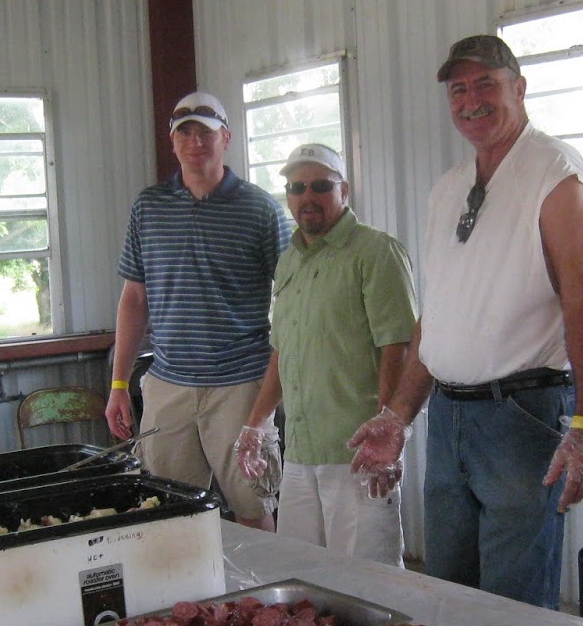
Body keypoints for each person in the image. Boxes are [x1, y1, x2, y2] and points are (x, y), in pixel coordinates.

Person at [348, 35, 583, 609]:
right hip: (447, 418)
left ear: (519, 88)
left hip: (521, 415)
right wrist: (397, 415)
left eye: (485, 85)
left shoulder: (558, 178)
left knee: (513, 607)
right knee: (446, 596)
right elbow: (433, 322)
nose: (471, 100)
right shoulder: (448, 188)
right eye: (458, 89)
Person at [105, 93, 292, 530]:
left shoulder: (260, 210)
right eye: (184, 132)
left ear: (225, 138)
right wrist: (118, 383)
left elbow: (292, 297)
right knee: (168, 514)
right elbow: (135, 298)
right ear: (172, 142)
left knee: (254, 509)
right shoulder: (148, 207)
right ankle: (184, 601)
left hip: (241, 388)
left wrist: (277, 387)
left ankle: (260, 598)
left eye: (205, 132)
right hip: (168, 386)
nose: (195, 142)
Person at [233, 144, 417, 566]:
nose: (306, 196)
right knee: (306, 579)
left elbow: (399, 347)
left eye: (320, 185)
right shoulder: (289, 262)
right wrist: (256, 424)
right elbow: (283, 350)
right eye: (296, 187)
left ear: (344, 191)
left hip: (355, 454)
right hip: (299, 453)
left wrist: (388, 432)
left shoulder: (376, 252)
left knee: (368, 585)